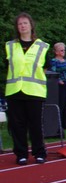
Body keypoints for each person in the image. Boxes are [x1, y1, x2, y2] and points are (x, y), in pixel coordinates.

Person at [4, 12, 48, 165]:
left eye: (25, 23)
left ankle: (39, 153)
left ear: (31, 25)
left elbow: (45, 67)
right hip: (14, 91)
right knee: (17, 125)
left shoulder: (42, 46)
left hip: (34, 91)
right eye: (20, 24)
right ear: (17, 27)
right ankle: (21, 154)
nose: (22, 26)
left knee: (35, 125)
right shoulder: (10, 46)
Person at [48, 42, 66, 129]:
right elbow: (53, 72)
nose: (63, 52)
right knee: (61, 103)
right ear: (56, 52)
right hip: (61, 84)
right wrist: (59, 80)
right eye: (61, 50)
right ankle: (59, 124)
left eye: (64, 50)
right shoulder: (54, 61)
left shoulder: (65, 61)